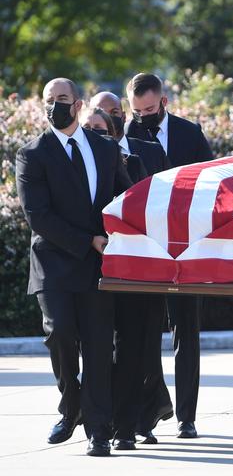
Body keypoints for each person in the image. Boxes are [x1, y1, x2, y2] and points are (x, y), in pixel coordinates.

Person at [15, 78, 132, 457]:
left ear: (78, 104)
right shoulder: (32, 154)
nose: (55, 106)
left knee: (99, 347)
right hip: (54, 265)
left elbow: (123, 198)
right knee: (61, 334)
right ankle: (72, 406)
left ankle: (98, 431)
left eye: (62, 99)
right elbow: (38, 216)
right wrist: (87, 241)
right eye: (49, 100)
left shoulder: (105, 147)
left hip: (99, 266)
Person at [125, 73, 212, 439]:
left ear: (164, 101)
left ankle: (187, 415)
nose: (144, 116)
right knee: (145, 334)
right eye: (137, 110)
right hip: (146, 248)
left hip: (185, 247)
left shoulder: (189, 133)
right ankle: (151, 410)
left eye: (150, 108)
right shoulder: (126, 135)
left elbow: (208, 181)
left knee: (185, 332)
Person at [90, 91, 174, 447]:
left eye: (104, 125)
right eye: (89, 127)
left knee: (135, 350)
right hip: (91, 269)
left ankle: (127, 425)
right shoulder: (75, 165)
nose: (98, 131)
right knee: (100, 351)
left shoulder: (140, 158)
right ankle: (100, 420)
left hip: (136, 268)